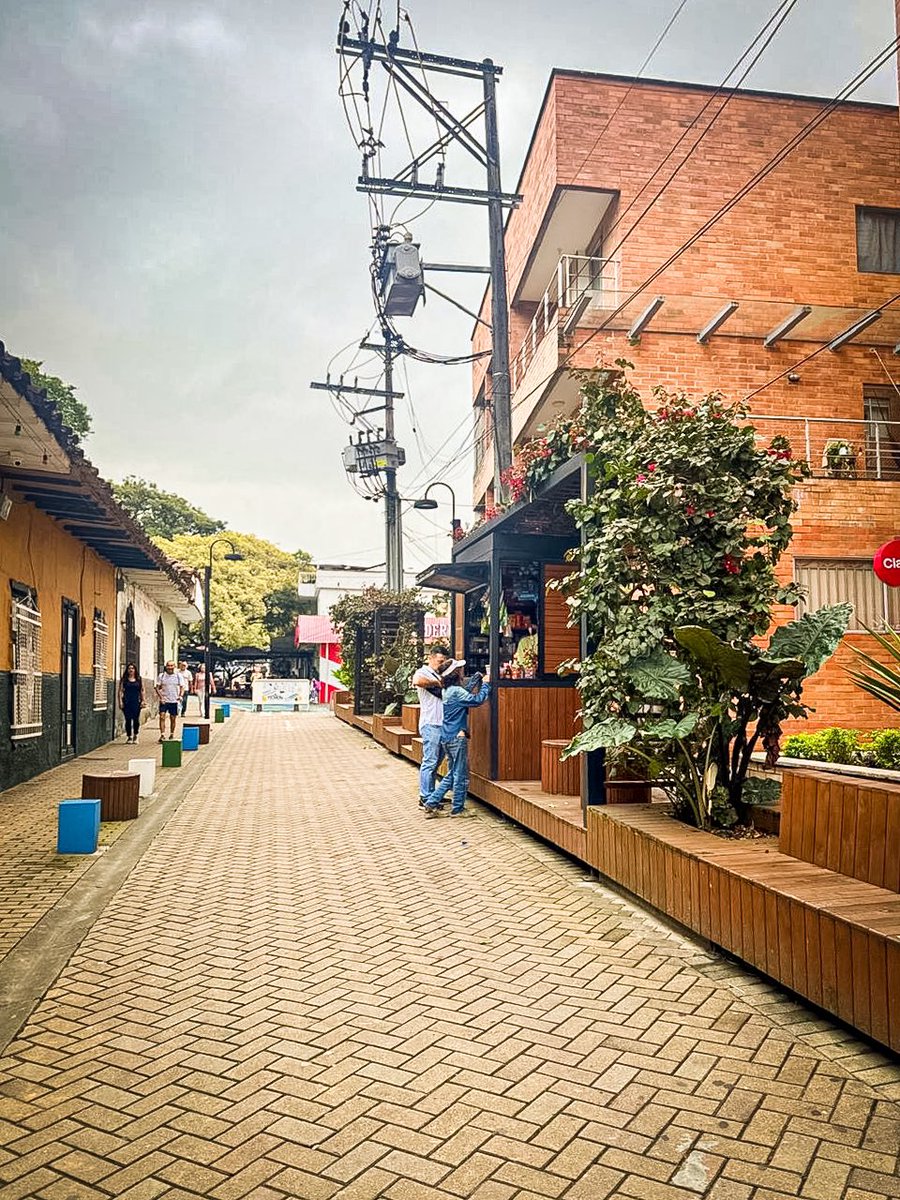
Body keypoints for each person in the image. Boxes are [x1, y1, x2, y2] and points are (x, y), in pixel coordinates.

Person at [423, 660, 491, 818]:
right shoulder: (455, 691)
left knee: (453, 773)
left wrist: (475, 679)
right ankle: (457, 809)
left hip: (447, 736)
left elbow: (464, 694)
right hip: (457, 737)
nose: (462, 670)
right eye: (460, 669)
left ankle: (431, 802)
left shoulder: (449, 690)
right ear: (455, 674)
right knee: (460, 775)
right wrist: (486, 684)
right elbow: (476, 700)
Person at [411, 644, 450, 806]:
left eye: (444, 662)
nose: (441, 665)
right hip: (431, 724)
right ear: (431, 658)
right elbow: (418, 681)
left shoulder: (442, 674)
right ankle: (425, 796)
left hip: (443, 724)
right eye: (439, 661)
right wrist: (438, 683)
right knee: (430, 761)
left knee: (437, 761)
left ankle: (432, 794)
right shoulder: (423, 672)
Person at [155, 660, 183, 742]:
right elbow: (157, 687)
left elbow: (182, 687)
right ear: (166, 666)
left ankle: (171, 734)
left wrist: (180, 696)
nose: (170, 667)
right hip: (164, 700)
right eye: (168, 666)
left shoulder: (178, 676)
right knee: (162, 716)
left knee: (173, 718)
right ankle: (162, 735)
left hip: (174, 700)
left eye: (171, 666)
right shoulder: (162, 676)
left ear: (174, 667)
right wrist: (161, 697)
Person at [118, 662, 144, 744]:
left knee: (136, 719)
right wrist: (120, 702)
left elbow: (142, 690)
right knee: (128, 719)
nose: (131, 670)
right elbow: (120, 691)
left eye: (132, 668)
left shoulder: (139, 679)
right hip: (127, 701)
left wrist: (143, 700)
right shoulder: (124, 680)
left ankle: (136, 735)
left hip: (136, 701)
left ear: (135, 670)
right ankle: (129, 736)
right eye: (129, 668)